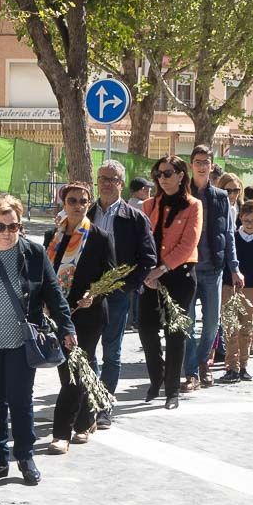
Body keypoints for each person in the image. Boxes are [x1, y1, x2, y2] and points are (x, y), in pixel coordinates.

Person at [0, 196, 76, 485]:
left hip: (22, 341)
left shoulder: (33, 253)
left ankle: (25, 456)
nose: (7, 232)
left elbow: (54, 294)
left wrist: (67, 327)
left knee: (20, 400)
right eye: (0, 226)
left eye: (14, 226)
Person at [45, 183, 115, 454]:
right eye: (72, 200)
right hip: (60, 314)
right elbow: (45, 275)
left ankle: (61, 433)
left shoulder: (100, 236)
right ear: (64, 203)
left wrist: (94, 295)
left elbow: (111, 277)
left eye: (83, 201)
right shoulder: (54, 236)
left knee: (75, 370)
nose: (77, 205)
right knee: (71, 371)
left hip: (89, 314)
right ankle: (86, 421)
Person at [87, 161, 156, 427]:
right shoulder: (87, 212)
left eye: (112, 179)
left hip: (117, 294)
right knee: (88, 349)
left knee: (111, 351)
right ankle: (91, 400)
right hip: (89, 293)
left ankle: (104, 405)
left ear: (121, 183)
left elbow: (148, 257)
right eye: (102, 178)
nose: (106, 183)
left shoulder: (135, 218)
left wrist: (129, 287)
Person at [138, 155, 202, 410]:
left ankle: (172, 390)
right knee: (145, 328)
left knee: (175, 332)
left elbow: (189, 244)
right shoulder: (148, 205)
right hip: (151, 275)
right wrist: (147, 272)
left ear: (180, 175)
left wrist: (161, 269)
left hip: (180, 274)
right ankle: (157, 376)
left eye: (167, 173)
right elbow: (140, 241)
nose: (162, 179)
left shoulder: (193, 205)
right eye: (159, 174)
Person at [184, 145, 242, 392]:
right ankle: (193, 372)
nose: (201, 166)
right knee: (187, 322)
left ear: (211, 165)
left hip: (213, 269)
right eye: (197, 161)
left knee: (211, 323)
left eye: (205, 162)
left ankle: (200, 363)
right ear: (191, 164)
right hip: (186, 268)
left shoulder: (220, 197)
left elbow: (229, 234)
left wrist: (235, 268)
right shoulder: (182, 194)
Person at [218, 201, 253, 383]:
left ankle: (243, 366)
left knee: (247, 328)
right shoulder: (233, 238)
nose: (249, 224)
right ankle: (231, 366)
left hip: (251, 289)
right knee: (230, 327)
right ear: (240, 218)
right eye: (246, 220)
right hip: (229, 287)